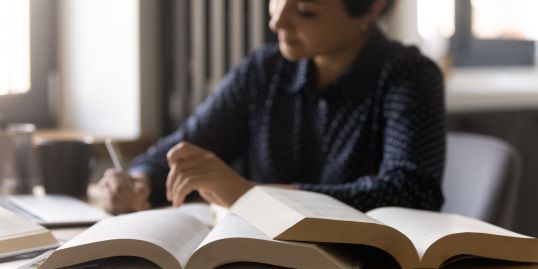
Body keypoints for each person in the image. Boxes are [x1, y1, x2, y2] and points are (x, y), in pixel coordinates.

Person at [93, 0, 446, 215]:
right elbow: (187, 144)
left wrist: (253, 196)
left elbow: (411, 191)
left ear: (371, 7)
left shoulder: (408, 77)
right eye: (277, 0)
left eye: (306, 10)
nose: (277, 21)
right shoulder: (265, 70)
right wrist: (136, 181)